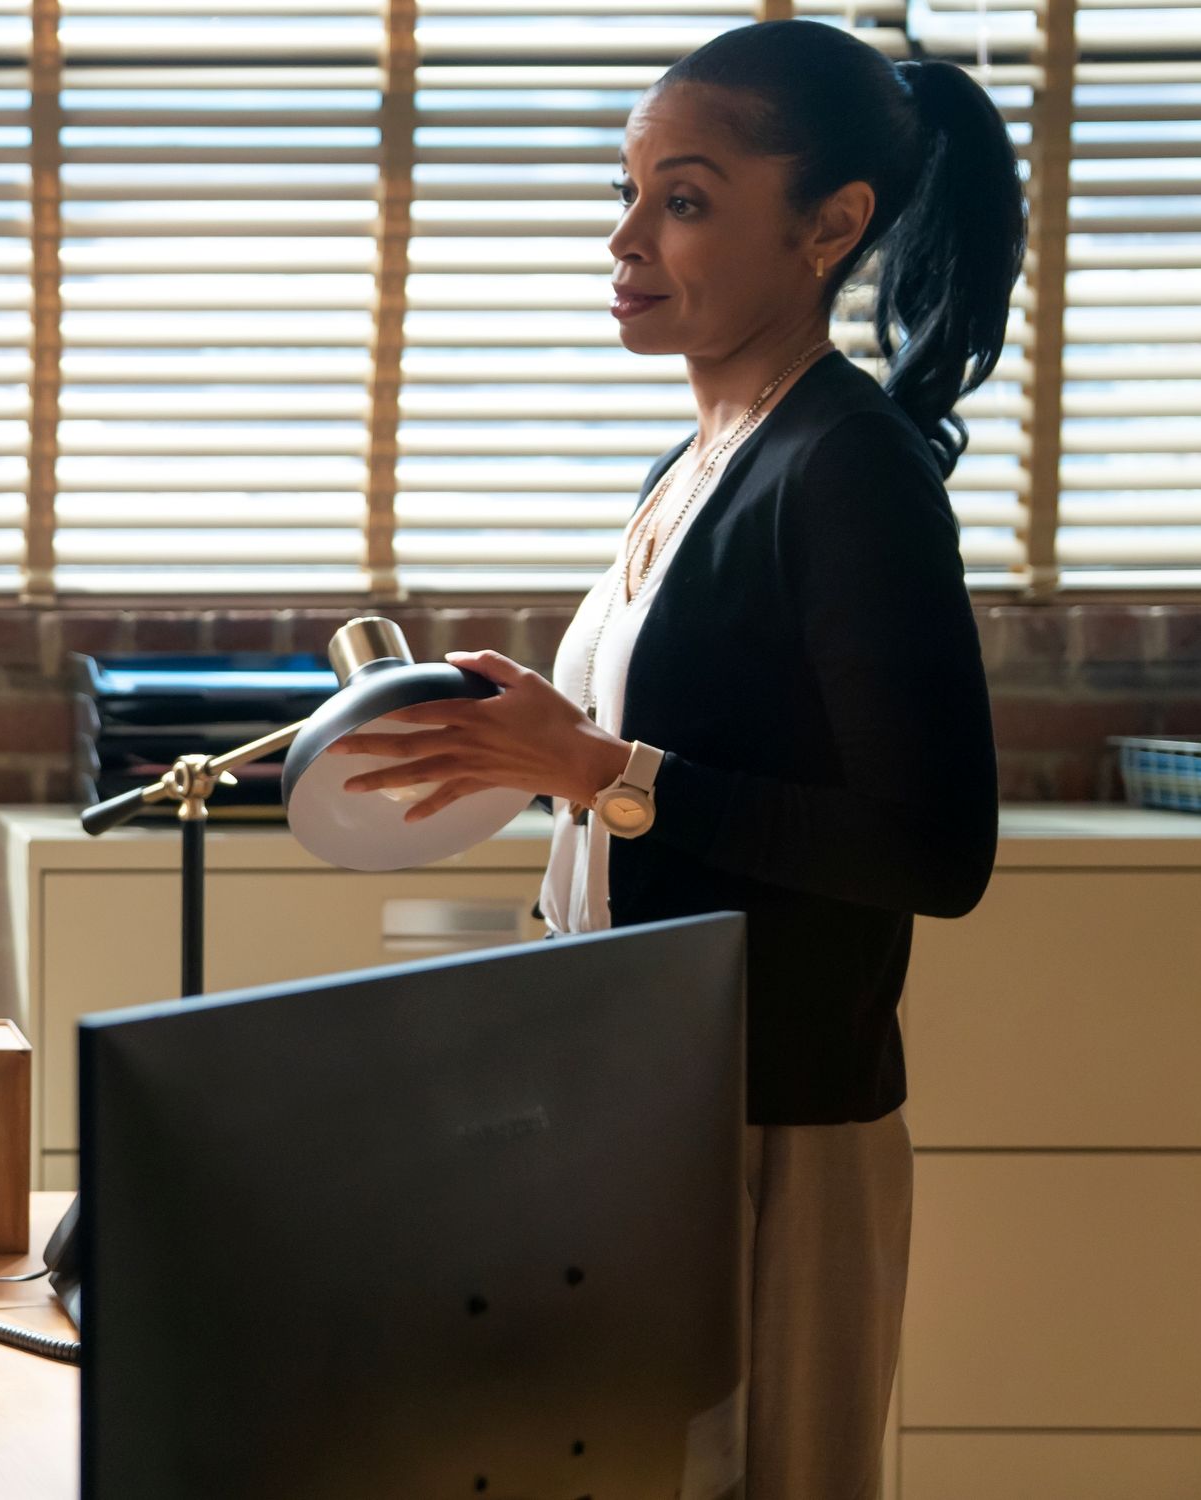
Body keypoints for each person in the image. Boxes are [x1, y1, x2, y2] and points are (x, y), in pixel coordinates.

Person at [326, 21, 1011, 1500]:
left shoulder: (852, 471)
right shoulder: (697, 462)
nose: (625, 237)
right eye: (630, 189)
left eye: (684, 200)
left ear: (833, 227)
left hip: (777, 1127)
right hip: (633, 1096)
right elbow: (667, 774)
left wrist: (606, 772)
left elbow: (931, 850)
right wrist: (533, 750)